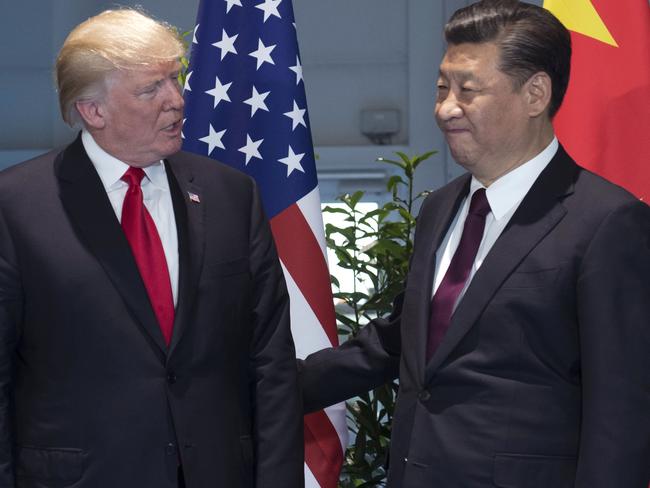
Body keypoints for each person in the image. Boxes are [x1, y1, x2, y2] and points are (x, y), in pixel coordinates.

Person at [300, 1, 650, 486]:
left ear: (535, 94)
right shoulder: (441, 208)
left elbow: (621, 412)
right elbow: (403, 339)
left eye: (468, 90)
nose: (445, 108)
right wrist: (265, 386)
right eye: (442, 87)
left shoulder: (607, 222)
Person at [0, 9, 303, 488]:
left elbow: (271, 363)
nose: (178, 101)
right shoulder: (15, 206)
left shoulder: (232, 195)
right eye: (151, 89)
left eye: (174, 80)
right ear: (92, 111)